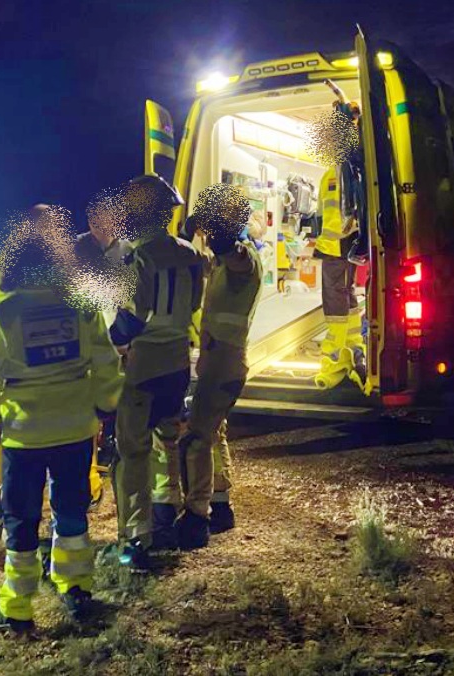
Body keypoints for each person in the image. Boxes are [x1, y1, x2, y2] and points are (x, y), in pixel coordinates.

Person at [0, 213, 122, 632]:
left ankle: (17, 608)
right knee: (72, 510)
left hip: (24, 434)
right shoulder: (82, 303)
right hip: (75, 428)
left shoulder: (6, 312)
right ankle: (76, 588)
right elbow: (107, 365)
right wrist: (103, 405)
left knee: (21, 517)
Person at [110, 175, 205, 569]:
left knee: (133, 451)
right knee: (168, 437)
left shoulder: (138, 257)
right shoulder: (190, 254)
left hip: (144, 362)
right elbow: (196, 301)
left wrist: (111, 339)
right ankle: (169, 507)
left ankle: (137, 536)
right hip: (177, 360)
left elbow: (134, 314)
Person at [167, 185, 262, 548]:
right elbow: (200, 259)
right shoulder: (223, 264)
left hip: (225, 363)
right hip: (217, 361)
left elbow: (230, 251)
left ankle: (196, 516)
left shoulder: (244, 259)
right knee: (214, 432)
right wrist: (189, 235)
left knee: (195, 437)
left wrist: (211, 226)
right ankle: (221, 506)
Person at [313, 165, 363, 389]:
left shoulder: (332, 174)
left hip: (336, 248)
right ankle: (353, 346)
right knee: (347, 296)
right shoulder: (354, 171)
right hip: (346, 245)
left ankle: (333, 356)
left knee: (335, 304)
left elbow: (323, 215)